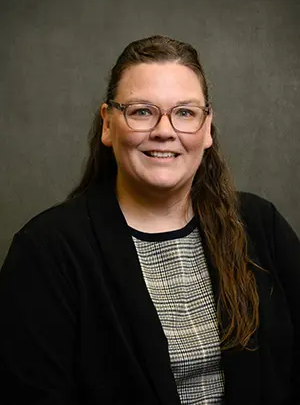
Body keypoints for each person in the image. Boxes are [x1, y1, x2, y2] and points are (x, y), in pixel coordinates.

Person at [0, 35, 299, 405]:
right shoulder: (47, 251)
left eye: (185, 112)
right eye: (142, 111)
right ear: (108, 124)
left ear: (207, 129)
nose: (164, 130)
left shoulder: (259, 224)